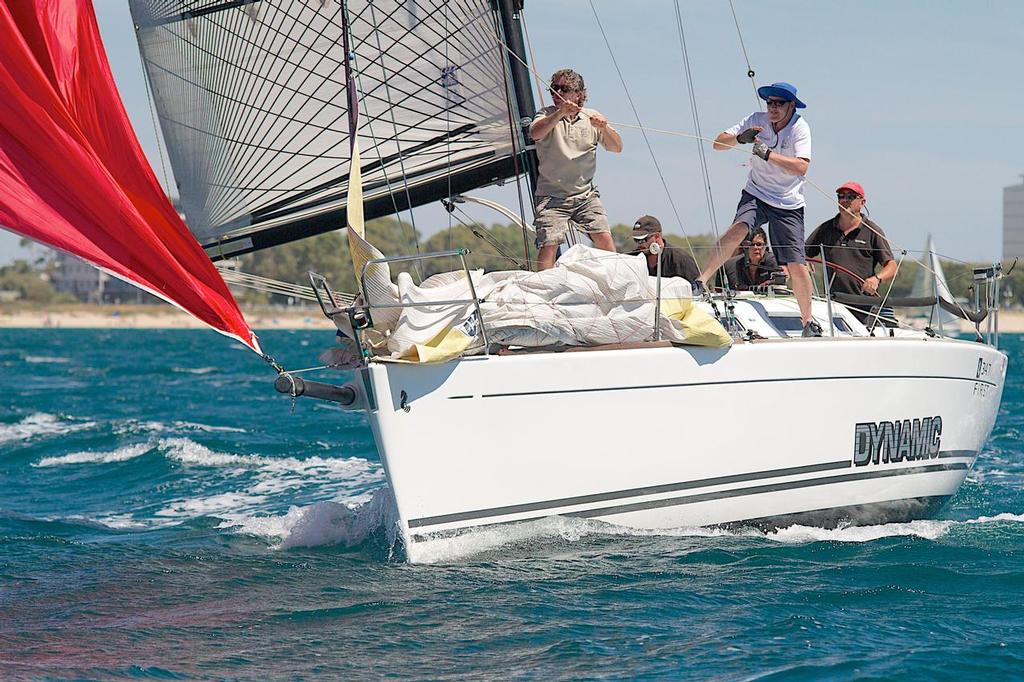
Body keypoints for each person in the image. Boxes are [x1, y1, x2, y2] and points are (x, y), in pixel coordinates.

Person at [697, 82, 819, 336]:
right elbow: (717, 144)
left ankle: (808, 322)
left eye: (779, 103)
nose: (773, 108)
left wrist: (768, 155)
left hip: (788, 203)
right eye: (770, 103)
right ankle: (700, 282)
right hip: (757, 192)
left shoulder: (800, 127)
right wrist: (740, 139)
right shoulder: (756, 120)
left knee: (796, 264)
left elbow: (801, 167)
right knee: (738, 229)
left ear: (791, 106)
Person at [529, 68, 623, 271]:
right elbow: (536, 134)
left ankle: (615, 281)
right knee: (549, 244)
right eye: (553, 88)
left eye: (563, 89)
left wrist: (604, 127)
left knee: (604, 237)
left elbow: (617, 148)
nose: (557, 93)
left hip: (585, 195)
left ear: (578, 94)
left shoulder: (592, 117)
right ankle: (544, 289)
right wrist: (560, 113)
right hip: (551, 195)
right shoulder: (546, 115)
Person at [805, 181, 897, 323]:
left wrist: (877, 279)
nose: (844, 200)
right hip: (833, 305)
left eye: (851, 197)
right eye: (841, 196)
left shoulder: (872, 231)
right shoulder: (826, 228)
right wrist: (805, 262)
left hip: (863, 306)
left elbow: (891, 266)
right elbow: (802, 253)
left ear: (862, 202)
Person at [629, 215, 701, 284]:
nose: (639, 244)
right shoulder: (631, 260)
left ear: (657, 236)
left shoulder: (681, 260)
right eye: (636, 239)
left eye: (642, 239)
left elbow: (697, 291)